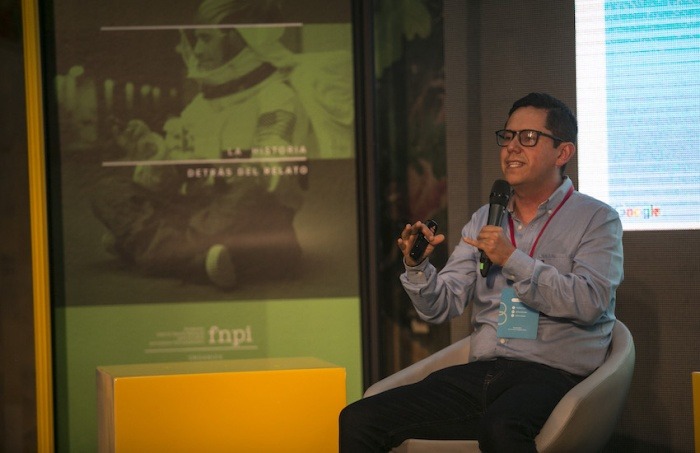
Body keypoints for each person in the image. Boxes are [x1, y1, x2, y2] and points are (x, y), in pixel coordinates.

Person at [339, 92, 624, 452]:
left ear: (562, 153)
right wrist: (418, 267)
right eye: (507, 137)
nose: (512, 148)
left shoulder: (596, 219)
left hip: (552, 375)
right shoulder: (484, 218)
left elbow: (591, 302)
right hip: (483, 371)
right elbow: (440, 306)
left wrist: (513, 259)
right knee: (359, 418)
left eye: (528, 138)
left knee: (501, 427)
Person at [92, 0, 353, 289]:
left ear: (241, 40)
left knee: (249, 187)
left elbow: (270, 174)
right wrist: (154, 155)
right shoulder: (198, 107)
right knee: (107, 189)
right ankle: (196, 260)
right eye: (197, 40)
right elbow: (169, 184)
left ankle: (147, 248)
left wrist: (248, 166)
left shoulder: (277, 97)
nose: (198, 50)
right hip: (199, 214)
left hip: (251, 216)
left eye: (206, 38)